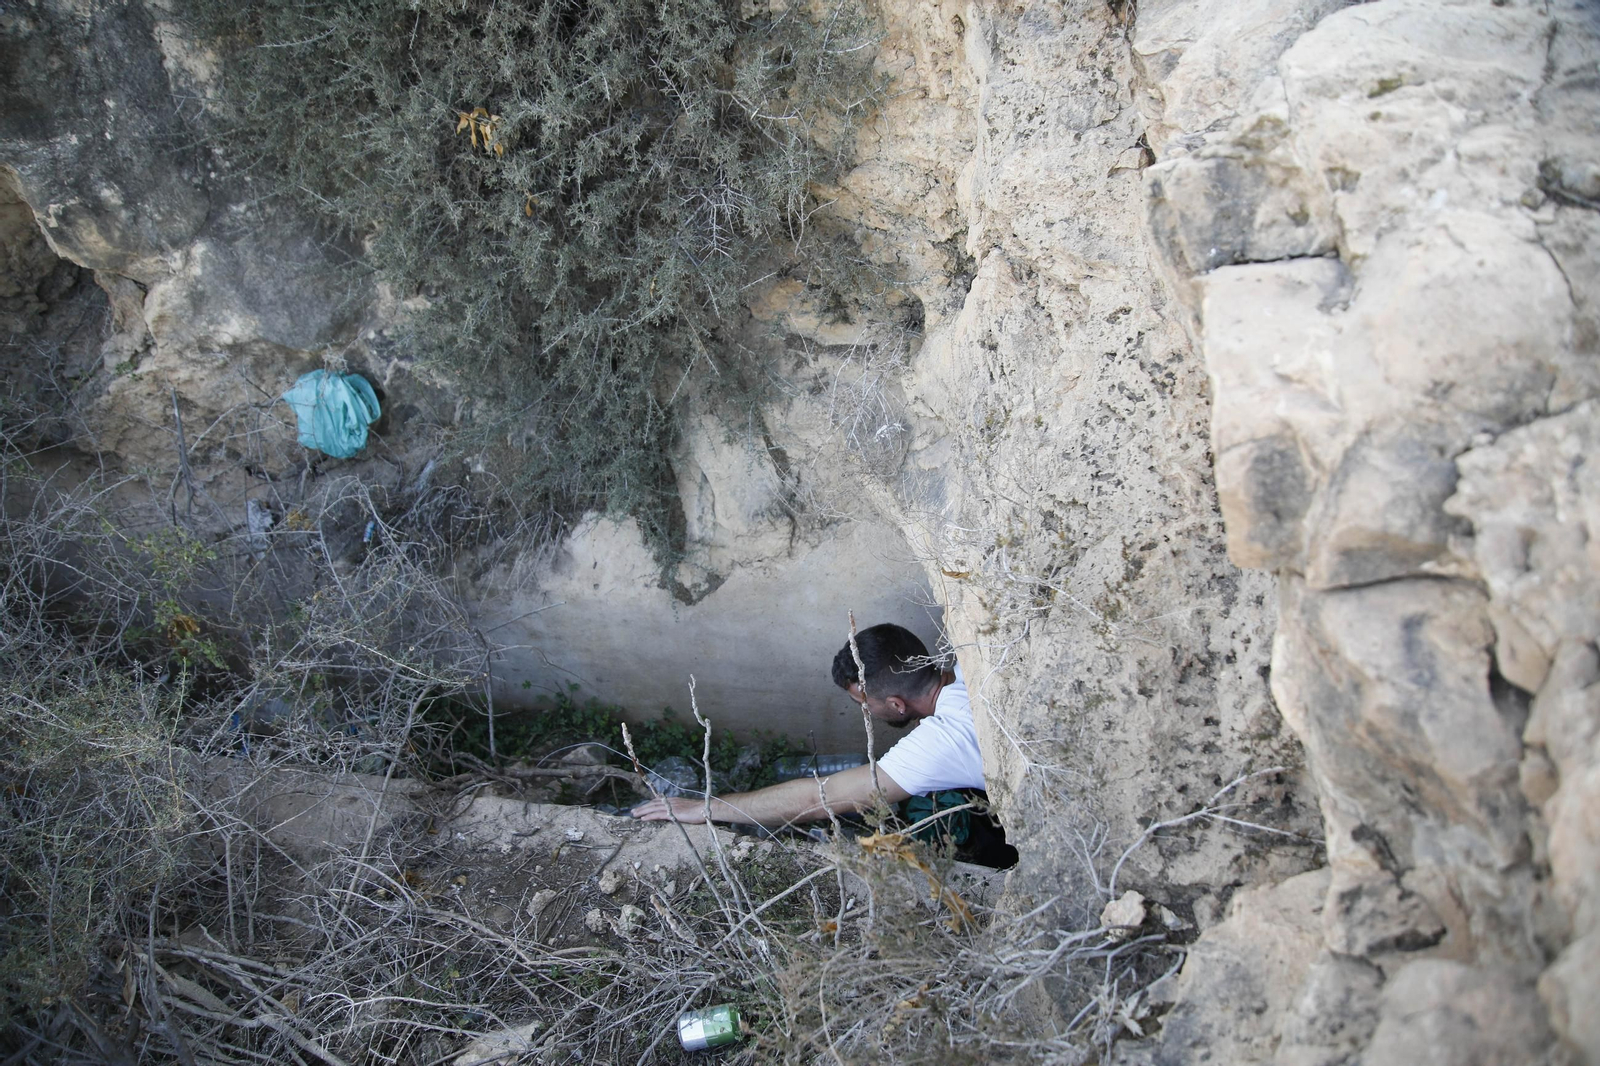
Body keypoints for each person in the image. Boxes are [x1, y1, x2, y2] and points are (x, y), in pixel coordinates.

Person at [631, 624, 985, 827]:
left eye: (865, 704)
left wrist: (707, 808)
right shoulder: (979, 656)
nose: (866, 714)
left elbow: (819, 798)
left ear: (896, 704)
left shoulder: (939, 744)